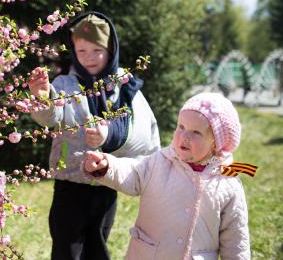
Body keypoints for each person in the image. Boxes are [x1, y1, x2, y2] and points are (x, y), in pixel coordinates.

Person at [28, 11, 160, 260]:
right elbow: (50, 118)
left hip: (105, 184)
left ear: (110, 50)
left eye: (96, 50)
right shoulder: (64, 85)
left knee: (97, 247)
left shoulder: (124, 87)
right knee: (66, 248)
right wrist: (43, 97)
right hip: (69, 185)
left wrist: (108, 135)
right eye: (81, 51)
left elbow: (143, 133)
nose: (89, 58)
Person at [84, 92, 258, 260]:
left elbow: (236, 238)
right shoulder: (159, 162)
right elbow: (133, 171)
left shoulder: (227, 182)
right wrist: (107, 166)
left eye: (196, 132)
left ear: (216, 143)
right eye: (181, 127)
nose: (184, 136)